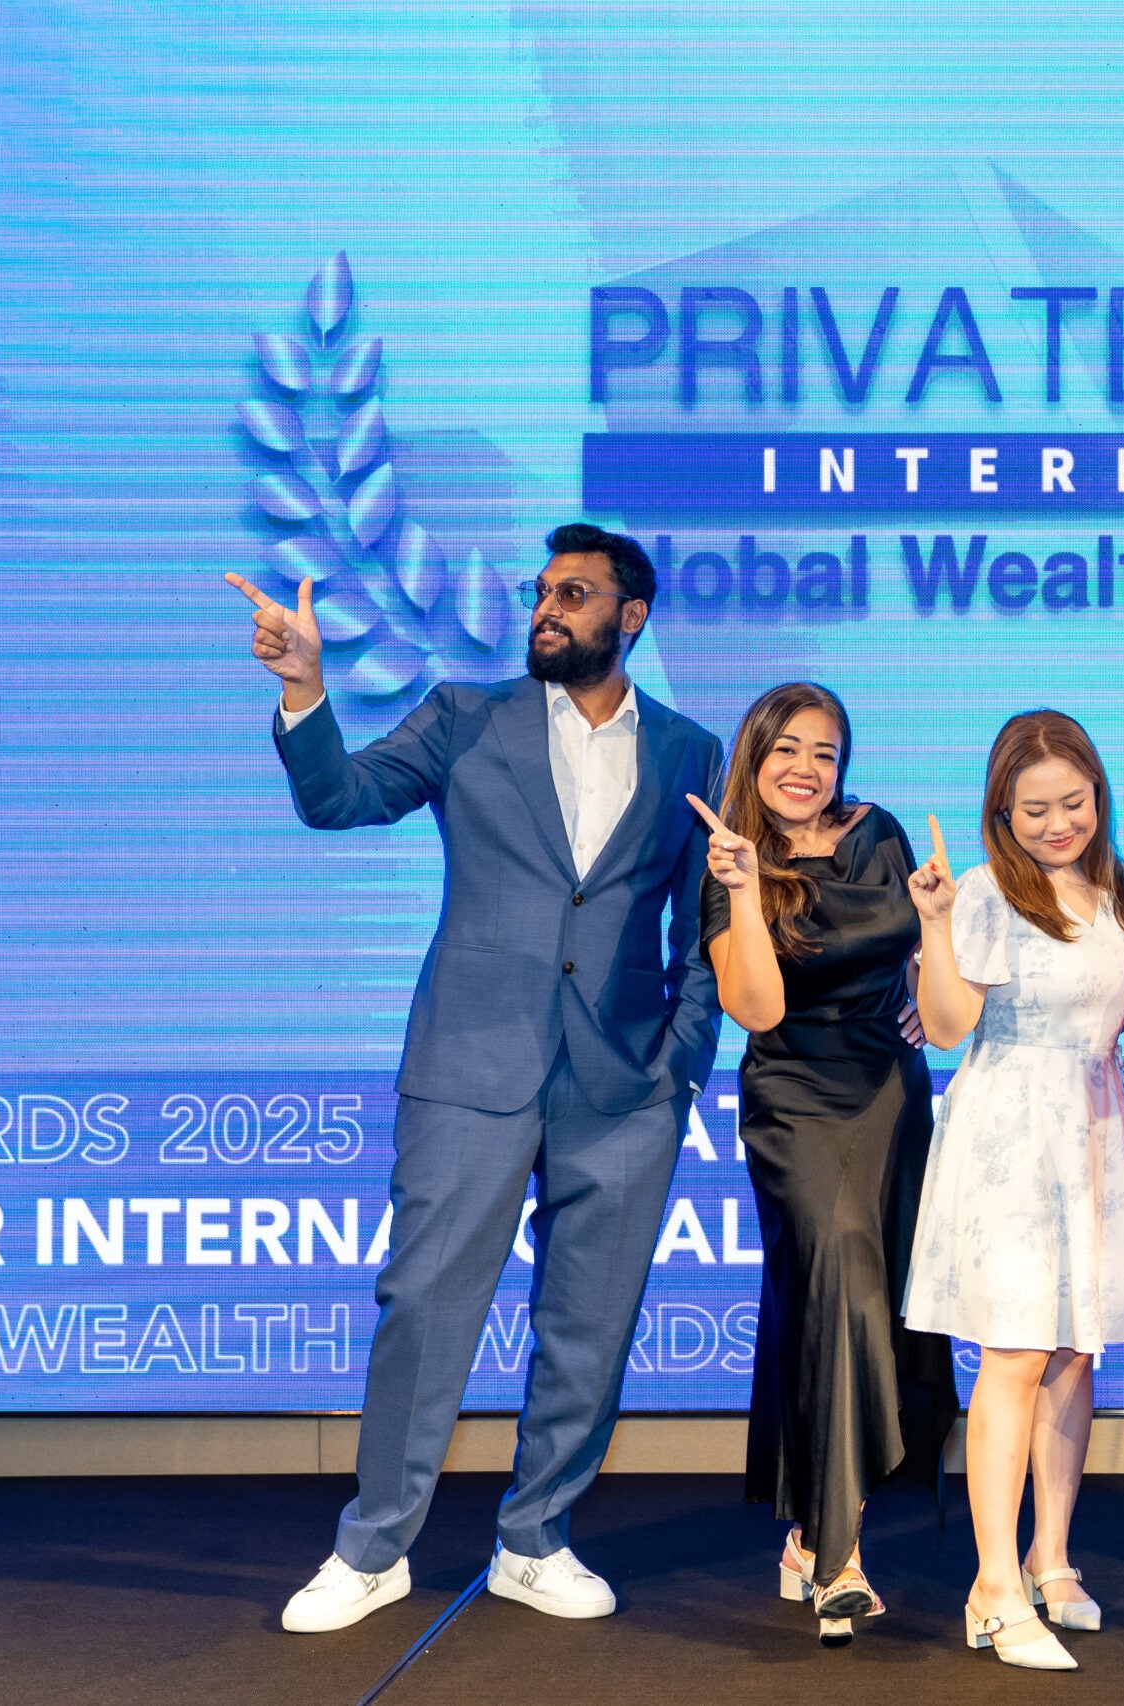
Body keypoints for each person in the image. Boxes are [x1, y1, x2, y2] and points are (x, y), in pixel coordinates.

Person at [227, 523, 721, 1633]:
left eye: (575, 594)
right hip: (468, 1064)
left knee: (591, 1324)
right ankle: (372, 1549)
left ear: (631, 616)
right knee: (425, 1305)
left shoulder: (692, 751)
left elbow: (706, 925)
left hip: (624, 1086)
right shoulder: (464, 715)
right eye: (543, 590)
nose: (547, 608)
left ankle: (535, 1539)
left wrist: (681, 1065)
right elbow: (341, 798)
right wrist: (305, 688)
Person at [688, 681, 954, 1645]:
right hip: (794, 1101)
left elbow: (919, 967)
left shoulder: (879, 832)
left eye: (826, 752)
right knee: (839, 1278)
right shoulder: (727, 859)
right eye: (787, 749)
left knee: (856, 1307)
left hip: (889, 1094)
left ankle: (806, 1532)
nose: (806, 768)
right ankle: (840, 1557)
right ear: (754, 755)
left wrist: (929, 958)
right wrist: (744, 888)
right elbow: (757, 1008)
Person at [904, 710, 1124, 1673]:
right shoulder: (982, 894)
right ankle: (995, 1586)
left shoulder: (1123, 888)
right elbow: (947, 1025)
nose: (1057, 825)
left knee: (1074, 1354)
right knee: (1013, 1354)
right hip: (1008, 1133)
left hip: (1093, 1133)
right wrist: (934, 924)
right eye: (1033, 810)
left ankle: (1052, 1558)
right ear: (1001, 812)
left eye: (1073, 803)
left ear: (1098, 795)